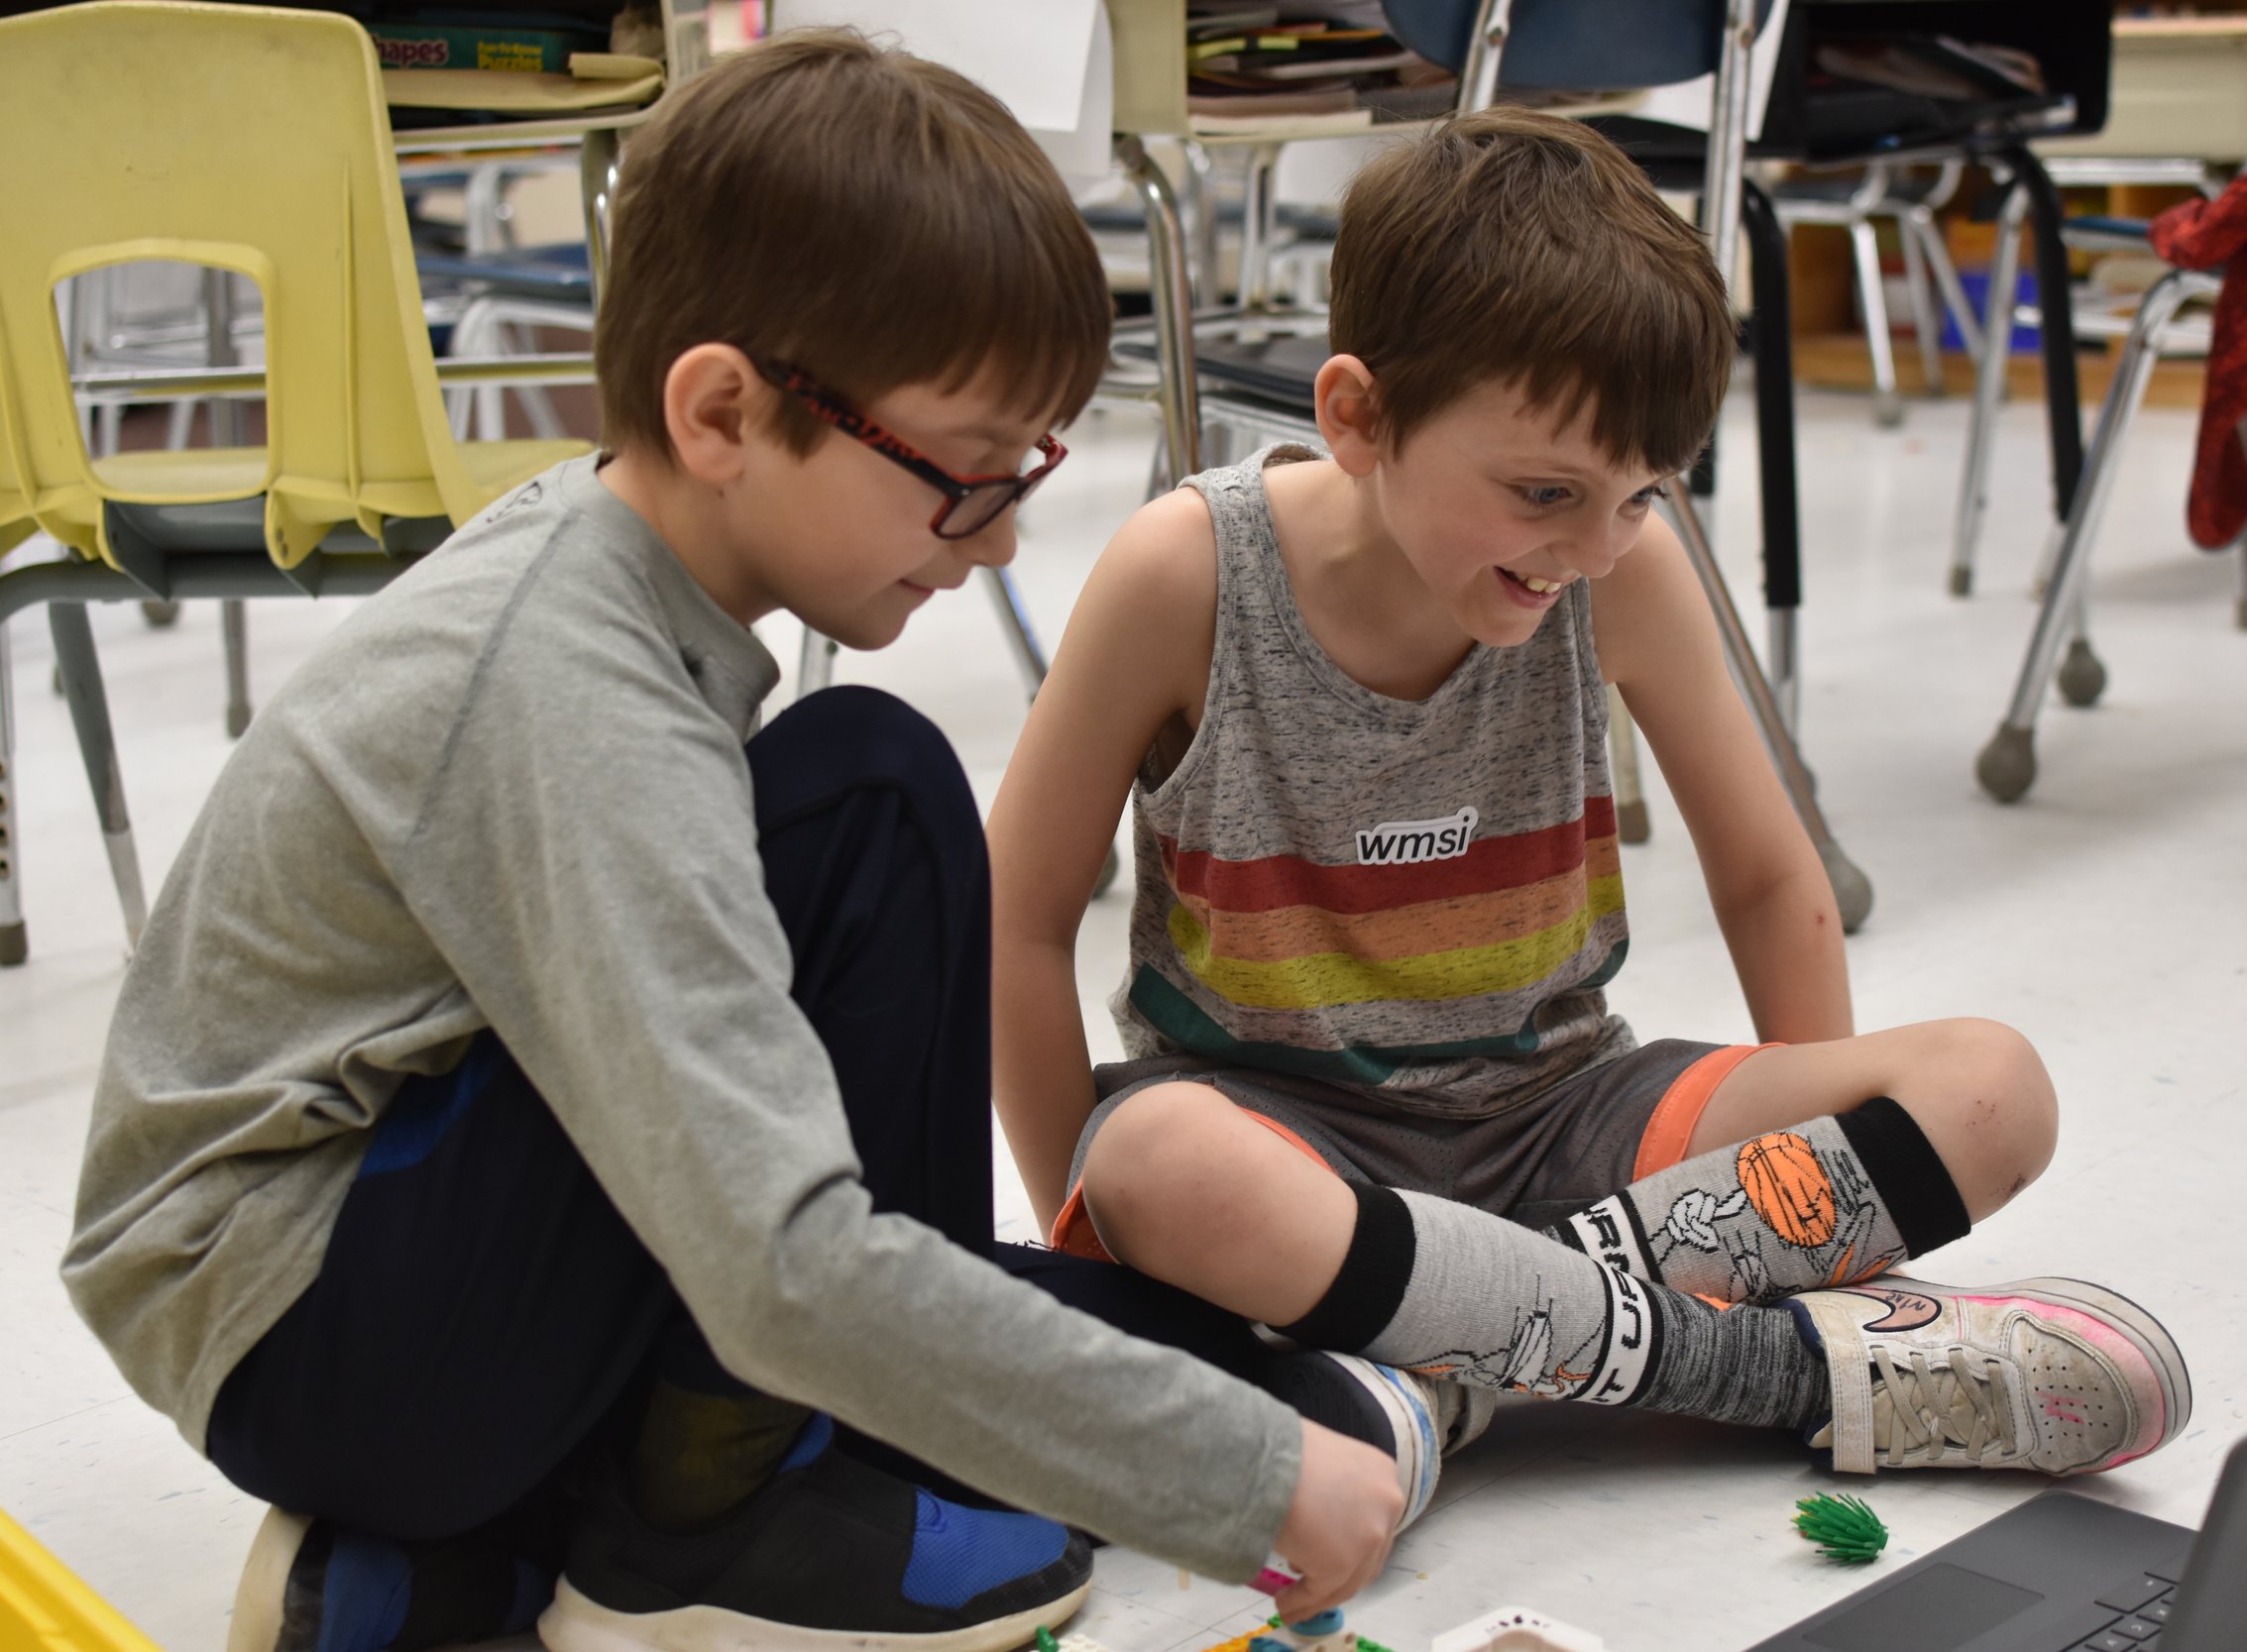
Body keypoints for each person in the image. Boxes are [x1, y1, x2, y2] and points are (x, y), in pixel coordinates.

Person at [60, 32, 1437, 1652]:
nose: (997, 535)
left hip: (385, 1284)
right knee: (870, 796)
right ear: (720, 410)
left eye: (1025, 473)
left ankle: (499, 1550)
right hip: (316, 1327)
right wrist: (1243, 1478)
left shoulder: (637, 573)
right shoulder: (577, 693)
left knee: (1264, 1368)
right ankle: (720, 1509)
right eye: (962, 473)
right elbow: (781, 1259)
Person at [986, 109, 2192, 1483]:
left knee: (1994, 1091)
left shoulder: (1626, 572)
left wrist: (1832, 1213)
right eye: (1548, 491)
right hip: (1288, 1146)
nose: (1593, 545)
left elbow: (1769, 877)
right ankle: (1753, 1375)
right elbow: (1016, 921)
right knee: (1160, 1168)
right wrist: (1086, 1253)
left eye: (1639, 494)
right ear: (1359, 416)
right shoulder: (1188, 574)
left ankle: (1445, 1366)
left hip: (1572, 1121)